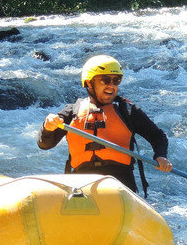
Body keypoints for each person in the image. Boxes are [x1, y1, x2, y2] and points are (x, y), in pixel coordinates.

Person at [38, 55, 172, 195]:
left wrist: (161, 156)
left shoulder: (128, 111)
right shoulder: (72, 111)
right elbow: (44, 144)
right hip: (81, 182)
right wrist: (48, 128)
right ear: (89, 83)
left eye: (116, 80)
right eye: (105, 80)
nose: (112, 86)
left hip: (120, 182)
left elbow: (157, 136)